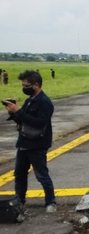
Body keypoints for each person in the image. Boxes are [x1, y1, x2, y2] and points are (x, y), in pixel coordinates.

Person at [3, 70, 56, 212]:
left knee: (41, 175)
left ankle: (50, 202)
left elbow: (39, 123)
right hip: (24, 143)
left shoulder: (45, 103)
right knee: (19, 174)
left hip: (37, 144)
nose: (24, 88)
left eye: (26, 85)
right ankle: (19, 201)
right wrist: (13, 112)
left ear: (36, 85)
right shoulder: (29, 101)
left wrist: (19, 111)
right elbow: (22, 120)